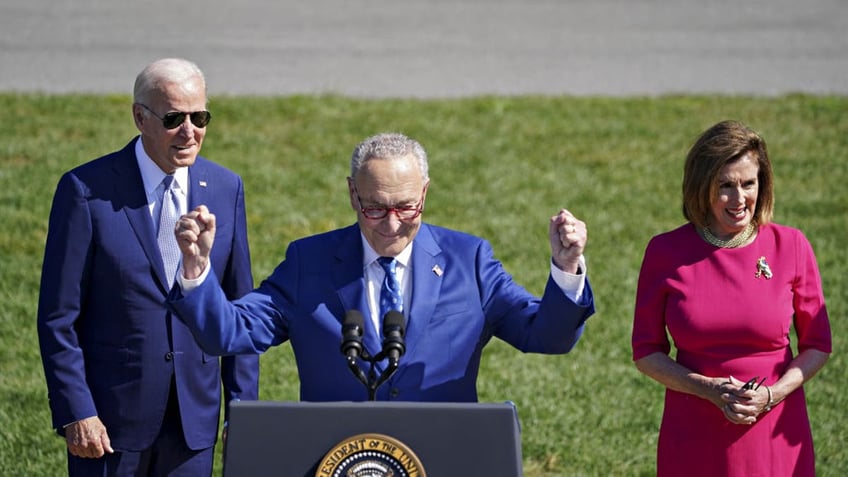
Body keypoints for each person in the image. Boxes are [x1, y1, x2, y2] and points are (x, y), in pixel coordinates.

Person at [168, 132, 595, 402]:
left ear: (425, 193)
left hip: (439, 455)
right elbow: (229, 333)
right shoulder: (309, 262)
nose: (392, 224)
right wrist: (197, 269)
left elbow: (547, 336)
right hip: (337, 458)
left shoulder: (471, 261)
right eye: (374, 209)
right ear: (353, 195)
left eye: (406, 207)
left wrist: (566, 267)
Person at [37, 58, 259, 476]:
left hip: (194, 422)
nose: (190, 131)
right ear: (140, 116)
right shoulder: (86, 192)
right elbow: (57, 317)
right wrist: (76, 411)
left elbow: (237, 308)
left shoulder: (226, 188)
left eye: (200, 116)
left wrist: (242, 410)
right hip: (109, 425)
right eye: (174, 118)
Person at [631, 120, 832, 476]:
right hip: (693, 433)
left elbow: (817, 346)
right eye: (725, 186)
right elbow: (647, 352)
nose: (739, 199)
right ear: (702, 187)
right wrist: (708, 388)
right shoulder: (665, 252)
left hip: (774, 435)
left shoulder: (792, 246)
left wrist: (772, 394)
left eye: (748, 184)